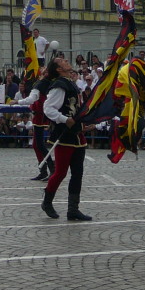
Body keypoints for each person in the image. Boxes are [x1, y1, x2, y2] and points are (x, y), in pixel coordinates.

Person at [40, 57, 92, 221]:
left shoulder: (72, 83)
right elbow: (48, 109)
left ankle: (73, 209)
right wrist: (65, 119)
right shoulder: (59, 85)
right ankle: (47, 202)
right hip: (64, 135)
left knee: (78, 173)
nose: (66, 60)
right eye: (61, 60)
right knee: (61, 172)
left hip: (77, 134)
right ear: (58, 69)